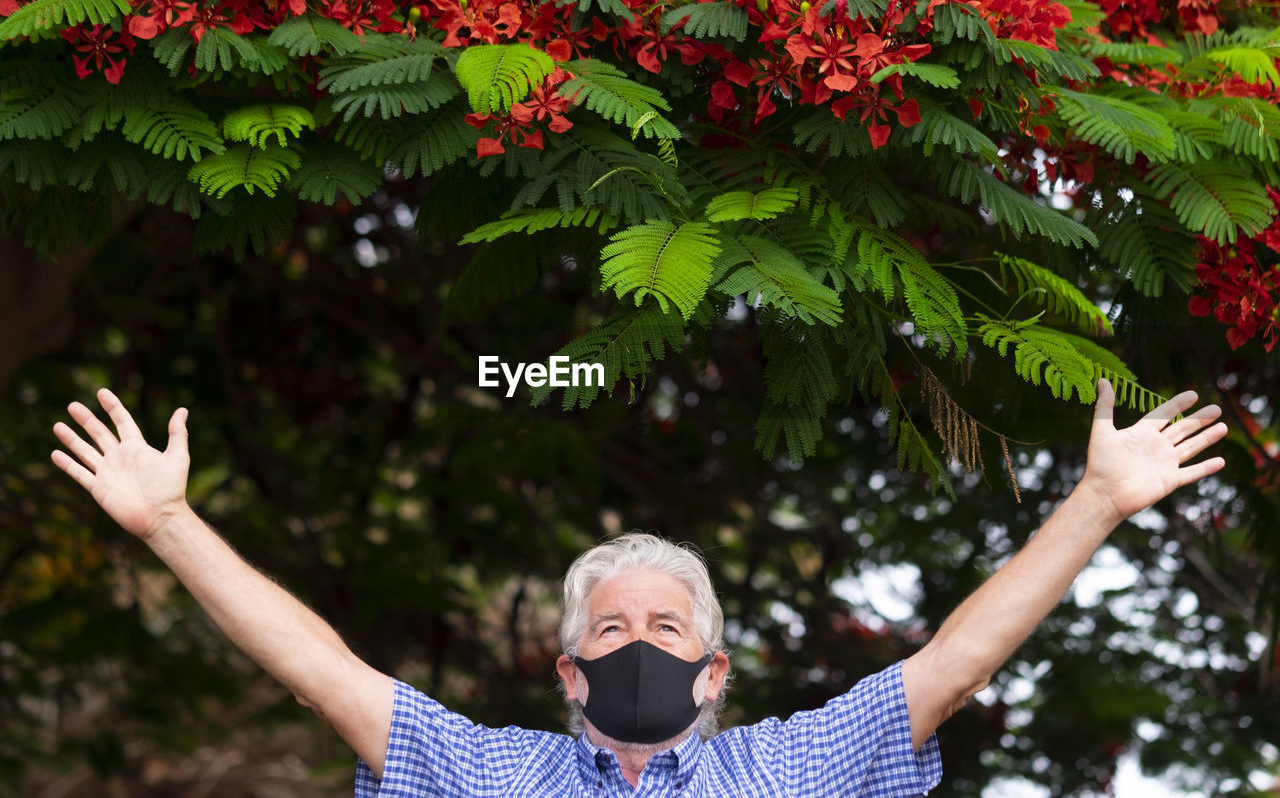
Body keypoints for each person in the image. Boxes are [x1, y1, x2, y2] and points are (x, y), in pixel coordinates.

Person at [51, 381, 1227, 796]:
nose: (637, 644)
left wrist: (1095, 502)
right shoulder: (480, 772)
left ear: (715, 669)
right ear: (566, 670)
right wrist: (166, 521)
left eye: (668, 627)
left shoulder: (791, 767)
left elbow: (957, 664)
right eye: (607, 628)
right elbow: (319, 674)